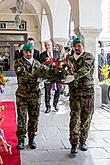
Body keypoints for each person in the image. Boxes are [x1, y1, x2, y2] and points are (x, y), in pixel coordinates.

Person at [14, 43, 54, 150]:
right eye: (26, 51)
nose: (28, 53)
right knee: (22, 118)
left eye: (30, 51)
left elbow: (47, 71)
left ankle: (32, 139)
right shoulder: (18, 63)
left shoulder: (37, 63)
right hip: (22, 95)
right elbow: (24, 76)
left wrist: (56, 74)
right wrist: (39, 79)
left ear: (33, 52)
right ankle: (21, 140)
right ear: (23, 52)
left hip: (35, 95)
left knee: (34, 118)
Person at [67, 37, 95, 154]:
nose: (77, 48)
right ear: (73, 47)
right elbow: (64, 70)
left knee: (86, 118)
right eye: (75, 46)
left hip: (88, 94)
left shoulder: (89, 57)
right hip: (75, 94)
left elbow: (85, 70)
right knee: (74, 119)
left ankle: (83, 141)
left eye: (79, 45)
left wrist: (73, 76)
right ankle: (74, 143)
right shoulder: (69, 59)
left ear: (83, 45)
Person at [39, 40, 61, 113]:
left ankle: (55, 104)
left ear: (51, 45)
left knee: (58, 90)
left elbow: (60, 63)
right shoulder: (42, 55)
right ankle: (48, 107)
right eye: (45, 45)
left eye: (48, 45)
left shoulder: (57, 53)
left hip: (57, 76)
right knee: (47, 92)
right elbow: (41, 66)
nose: (47, 46)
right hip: (47, 76)